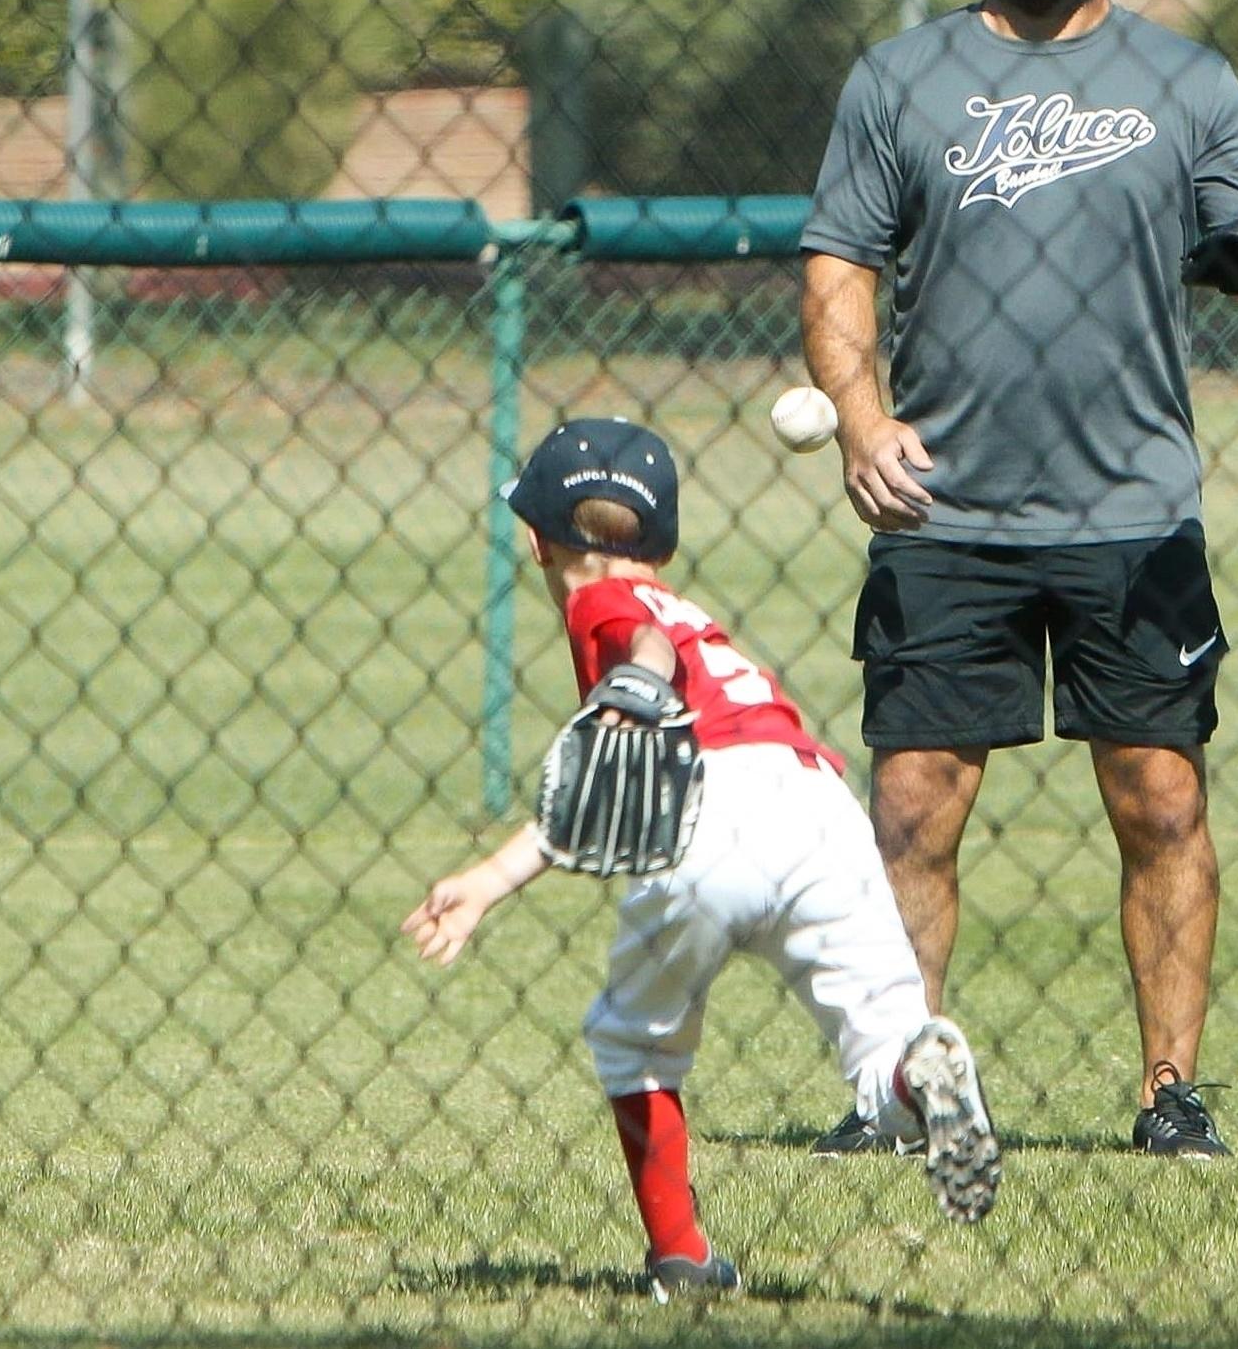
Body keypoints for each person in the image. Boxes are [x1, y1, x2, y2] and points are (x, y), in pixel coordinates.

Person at [799, 0, 1238, 1158]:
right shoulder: (903, 79)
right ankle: (895, 1084)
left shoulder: (1186, 85)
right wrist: (858, 412)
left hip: (1130, 508)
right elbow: (840, 256)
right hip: (944, 504)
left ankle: (1170, 1090)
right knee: (909, 808)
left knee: (1162, 796)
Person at [403, 417, 1001, 1301]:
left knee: (634, 1042)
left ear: (535, 538)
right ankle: (920, 1082)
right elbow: (610, 783)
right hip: (814, 804)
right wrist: (494, 878)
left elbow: (639, 661)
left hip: (711, 808)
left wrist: (638, 687)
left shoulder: (603, 606)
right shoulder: (687, 610)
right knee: (882, 1043)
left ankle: (679, 1256)